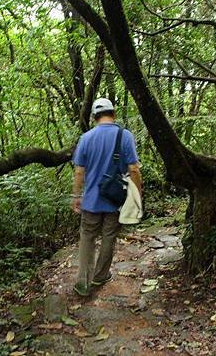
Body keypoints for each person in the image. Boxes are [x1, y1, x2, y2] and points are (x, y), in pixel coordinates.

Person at [71, 98, 142, 296]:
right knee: (109, 237)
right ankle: (100, 276)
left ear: (94, 117)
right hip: (115, 200)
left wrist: (77, 196)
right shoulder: (125, 136)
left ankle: (83, 282)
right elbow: (134, 169)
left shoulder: (86, 138)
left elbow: (79, 171)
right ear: (114, 114)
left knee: (87, 238)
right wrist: (137, 195)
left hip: (90, 200)